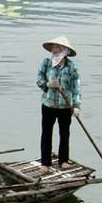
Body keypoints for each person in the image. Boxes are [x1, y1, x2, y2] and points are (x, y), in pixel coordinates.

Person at [36, 36, 81, 168]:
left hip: (65, 106)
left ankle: (63, 161)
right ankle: (45, 163)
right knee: (46, 134)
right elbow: (39, 81)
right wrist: (49, 84)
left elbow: (76, 88)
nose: (53, 50)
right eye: (52, 47)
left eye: (56, 47)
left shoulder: (72, 67)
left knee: (65, 134)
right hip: (48, 105)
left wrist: (76, 106)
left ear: (64, 50)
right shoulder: (46, 63)